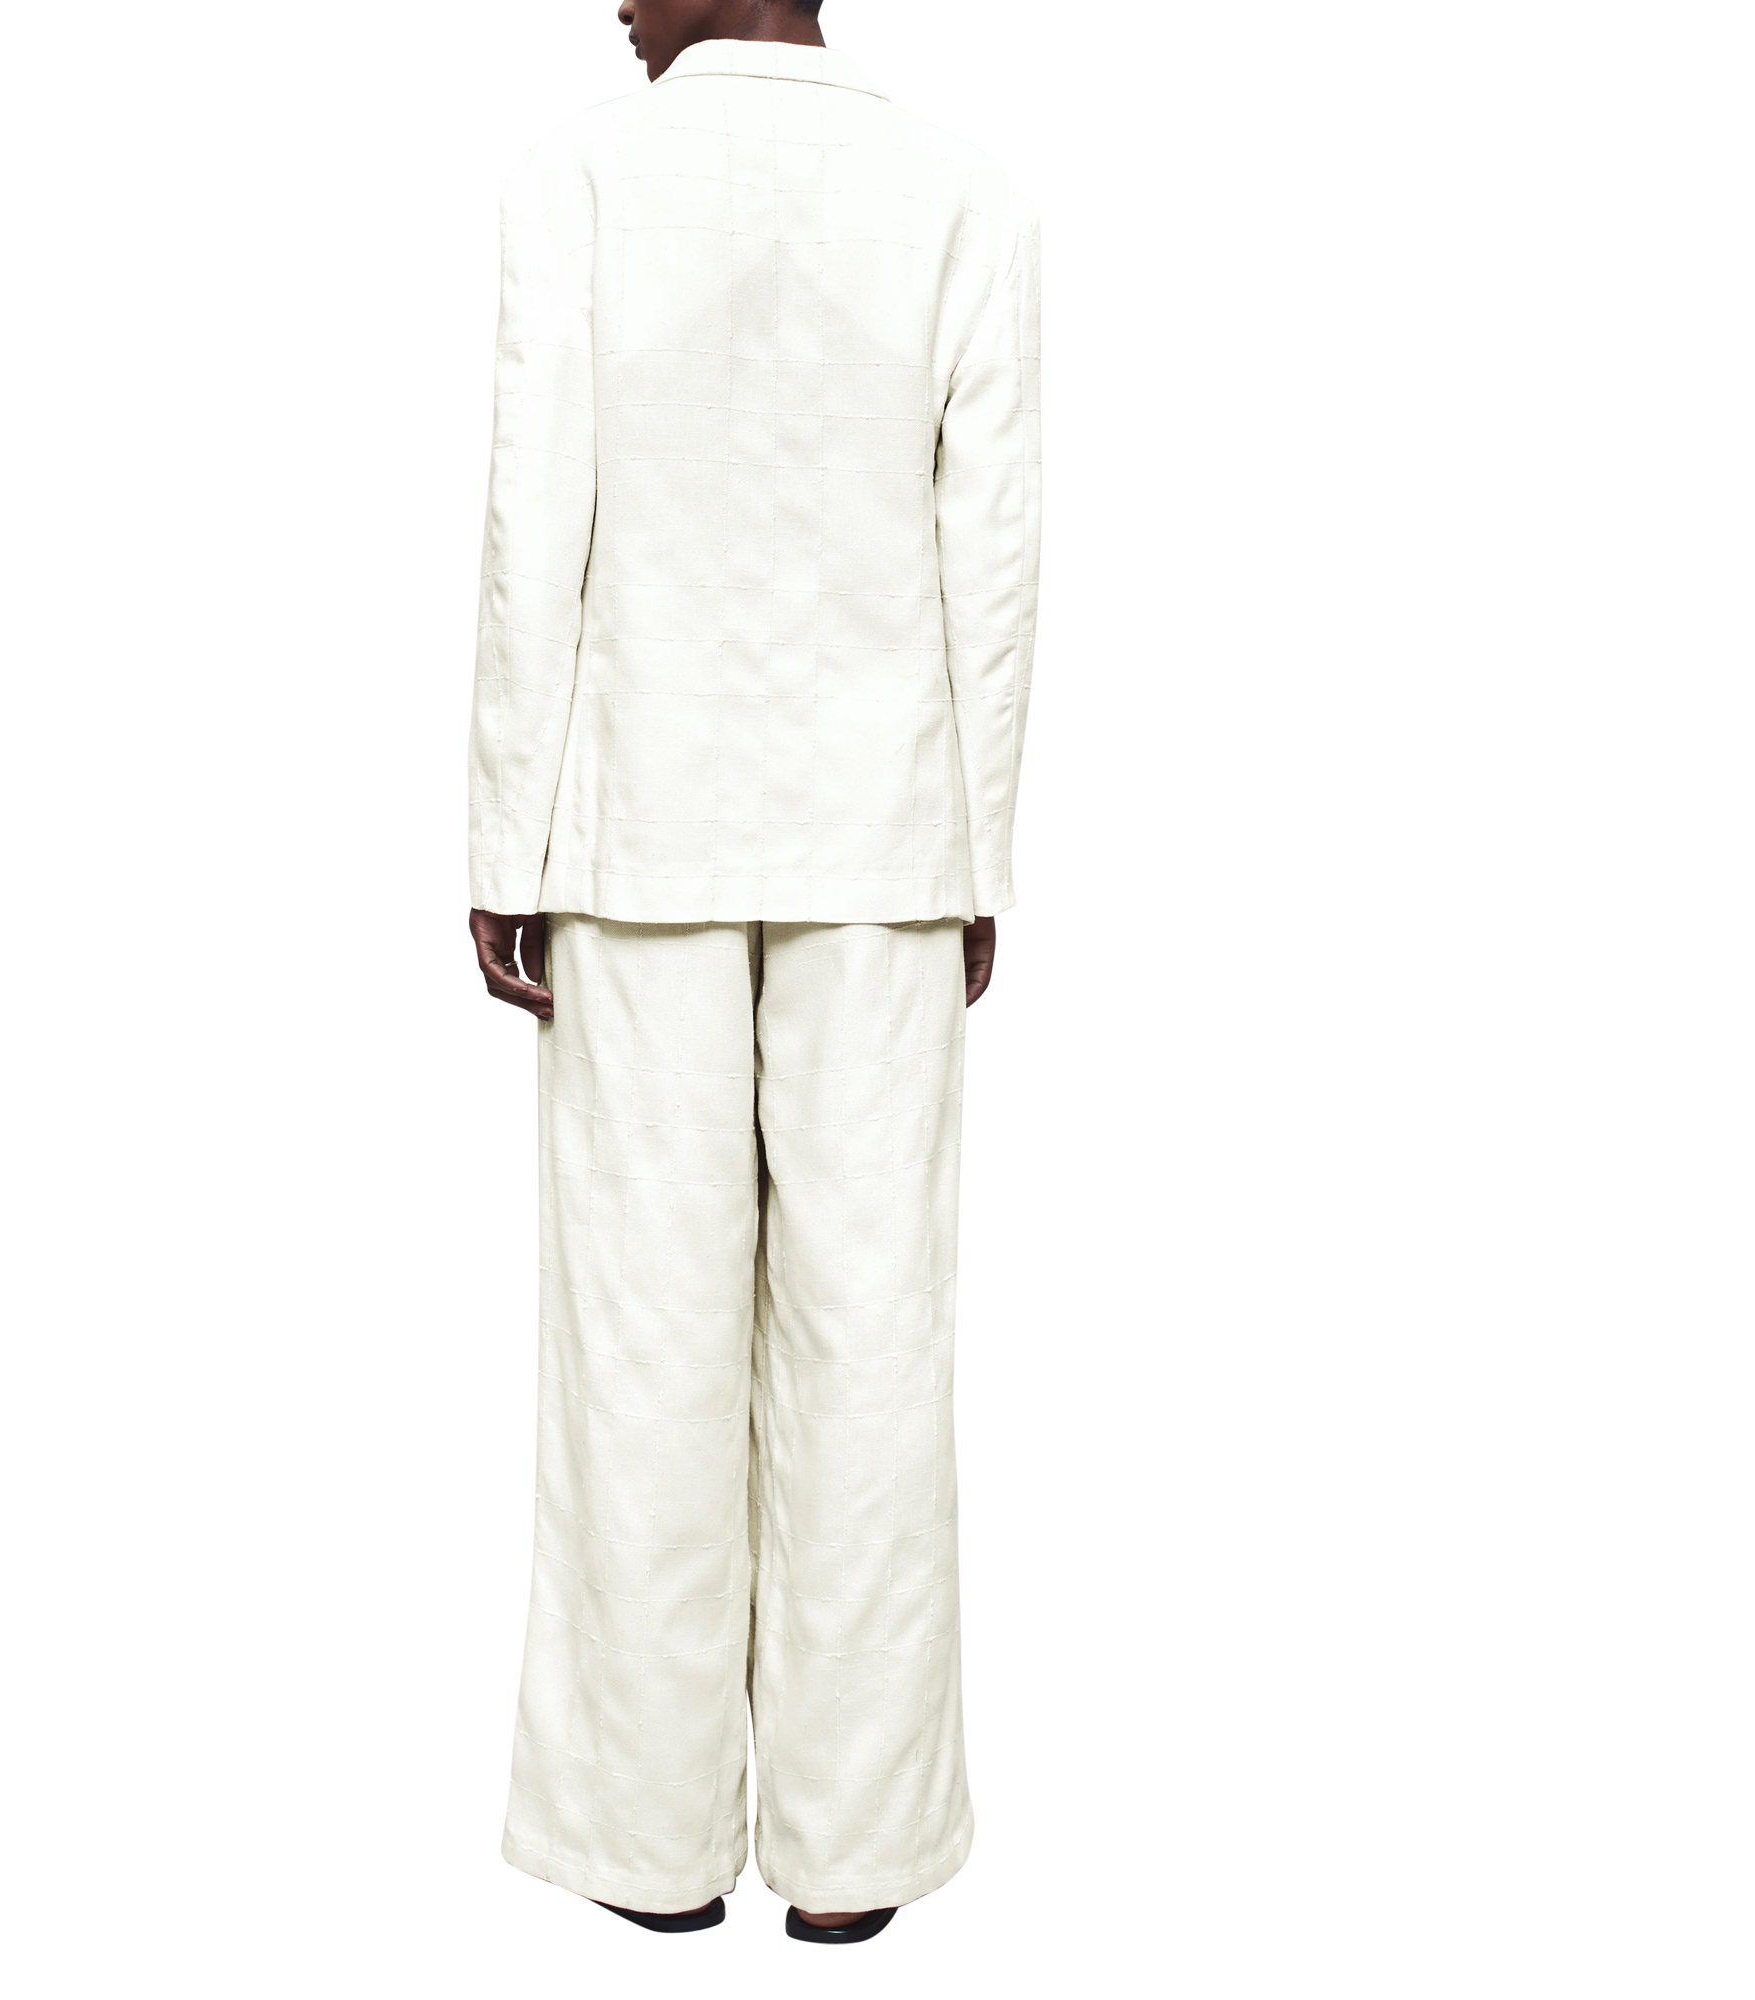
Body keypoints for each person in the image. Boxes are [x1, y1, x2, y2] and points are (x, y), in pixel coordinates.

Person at [466, 0, 1039, 1945]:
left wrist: (504, 838)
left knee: (644, 1342)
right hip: (885, 841)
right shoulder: (959, 189)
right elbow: (993, 551)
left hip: (637, 832)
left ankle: (649, 1845)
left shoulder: (585, 179)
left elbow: (532, 525)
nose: (612, 3)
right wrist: (976, 849)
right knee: (875, 1343)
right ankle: (856, 1855)